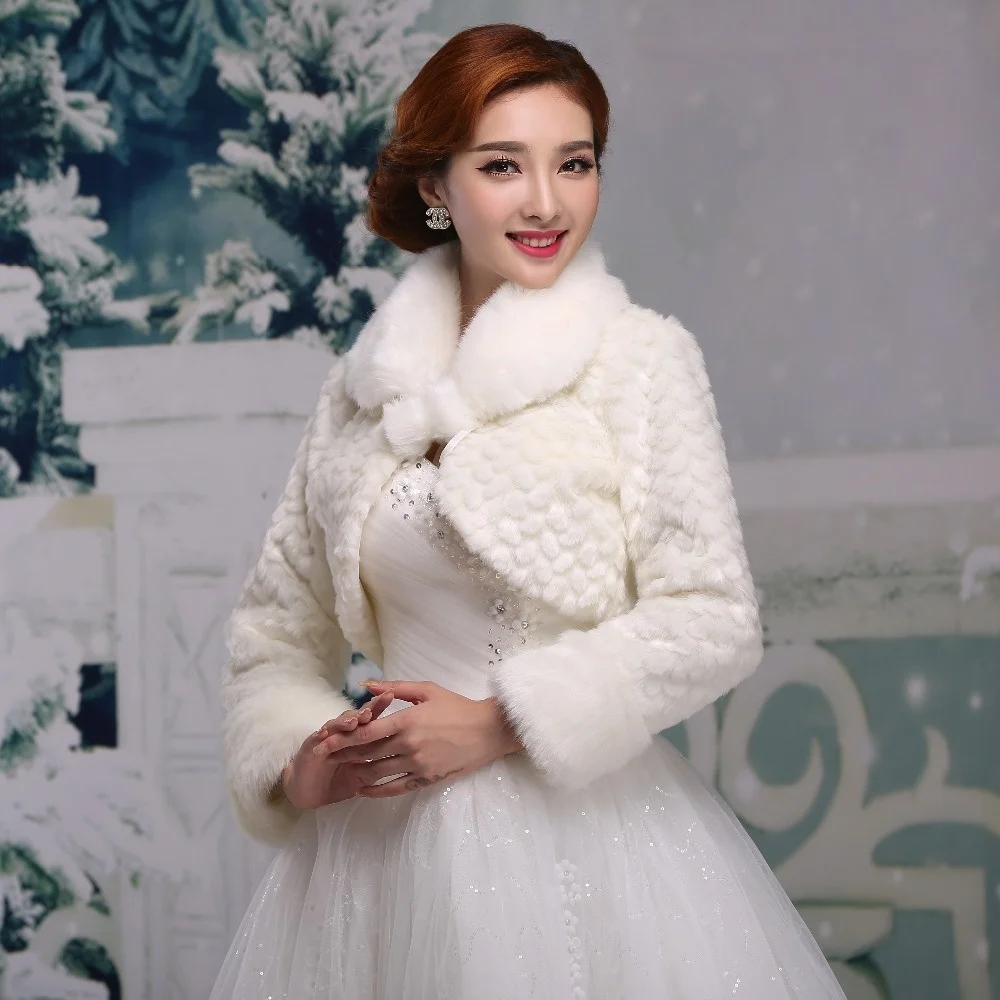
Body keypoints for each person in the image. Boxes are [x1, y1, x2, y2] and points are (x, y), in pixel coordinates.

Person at [209, 22, 848, 1000]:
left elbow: (715, 618)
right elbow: (272, 637)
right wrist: (299, 762)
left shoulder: (638, 360)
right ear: (436, 184)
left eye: (574, 163)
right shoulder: (361, 390)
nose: (547, 201)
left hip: (582, 847)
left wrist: (500, 722)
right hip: (367, 865)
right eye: (503, 165)